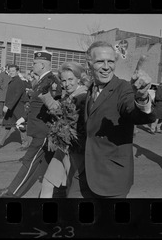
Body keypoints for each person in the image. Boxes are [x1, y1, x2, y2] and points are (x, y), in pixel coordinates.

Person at [67, 41, 156, 198]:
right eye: (100, 61)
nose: (106, 66)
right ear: (89, 64)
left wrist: (141, 97)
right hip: (84, 171)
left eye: (111, 61)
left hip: (111, 177)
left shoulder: (124, 88)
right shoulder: (92, 88)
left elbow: (135, 113)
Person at [0, 50, 62, 198]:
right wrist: (24, 118)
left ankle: (11, 193)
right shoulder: (42, 81)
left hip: (43, 131)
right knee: (38, 167)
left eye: (35, 63)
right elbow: (35, 105)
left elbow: (55, 108)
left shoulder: (51, 82)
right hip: (38, 129)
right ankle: (13, 192)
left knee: (29, 161)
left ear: (42, 64)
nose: (32, 65)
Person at [40, 62, 89, 198]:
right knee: (48, 182)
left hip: (76, 152)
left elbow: (68, 119)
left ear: (79, 79)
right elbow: (60, 114)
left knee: (73, 190)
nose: (66, 84)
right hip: (63, 149)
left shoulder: (83, 97)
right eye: (63, 80)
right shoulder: (69, 95)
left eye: (70, 80)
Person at [0, 64, 30, 148]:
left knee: (21, 125)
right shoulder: (12, 80)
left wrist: (8, 106)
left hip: (18, 107)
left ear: (17, 72)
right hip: (11, 107)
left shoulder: (18, 81)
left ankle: (25, 144)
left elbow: (17, 95)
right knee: (6, 124)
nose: (11, 73)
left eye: (13, 71)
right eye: (10, 71)